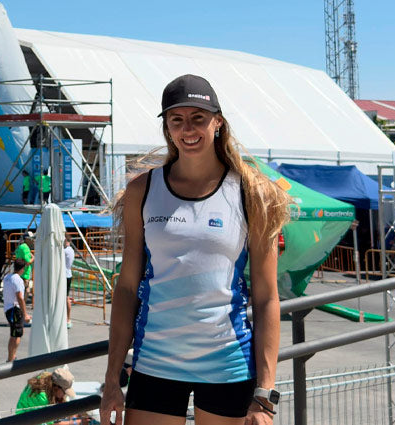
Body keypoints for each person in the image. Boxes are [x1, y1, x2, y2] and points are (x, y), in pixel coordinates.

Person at [99, 74, 289, 425]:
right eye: (177, 119)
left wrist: (264, 392)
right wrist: (112, 380)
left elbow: (266, 298)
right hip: (155, 362)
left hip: (227, 365)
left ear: (218, 122)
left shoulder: (252, 193)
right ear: (167, 129)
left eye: (198, 118)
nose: (188, 129)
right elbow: (126, 289)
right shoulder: (142, 191)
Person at [3, 261, 30, 362]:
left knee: (13, 334)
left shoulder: (7, 277)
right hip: (15, 309)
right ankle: (11, 358)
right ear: (22, 269)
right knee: (17, 335)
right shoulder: (17, 280)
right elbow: (20, 297)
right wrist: (25, 314)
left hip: (8, 308)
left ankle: (11, 356)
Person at [14, 233, 35, 300]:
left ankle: (20, 305)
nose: (32, 240)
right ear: (27, 239)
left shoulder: (20, 247)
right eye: (31, 238)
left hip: (19, 271)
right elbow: (28, 262)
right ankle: (22, 305)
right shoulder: (25, 247)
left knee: (21, 289)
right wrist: (33, 258)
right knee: (26, 290)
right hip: (25, 273)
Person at [63, 239, 75, 329]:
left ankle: (67, 318)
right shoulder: (71, 250)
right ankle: (67, 318)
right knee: (66, 297)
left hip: (65, 275)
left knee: (66, 297)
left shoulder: (65, 251)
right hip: (68, 274)